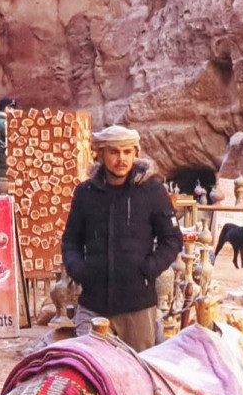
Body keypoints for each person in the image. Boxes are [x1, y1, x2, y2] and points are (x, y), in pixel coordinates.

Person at [61, 124, 182, 352]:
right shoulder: (85, 193)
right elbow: (70, 242)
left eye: (127, 152)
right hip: (93, 303)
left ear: (135, 153)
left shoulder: (152, 191)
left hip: (137, 305)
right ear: (101, 154)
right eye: (114, 152)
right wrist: (80, 270)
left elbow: (172, 239)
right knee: (88, 369)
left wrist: (148, 268)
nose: (121, 159)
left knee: (138, 373)